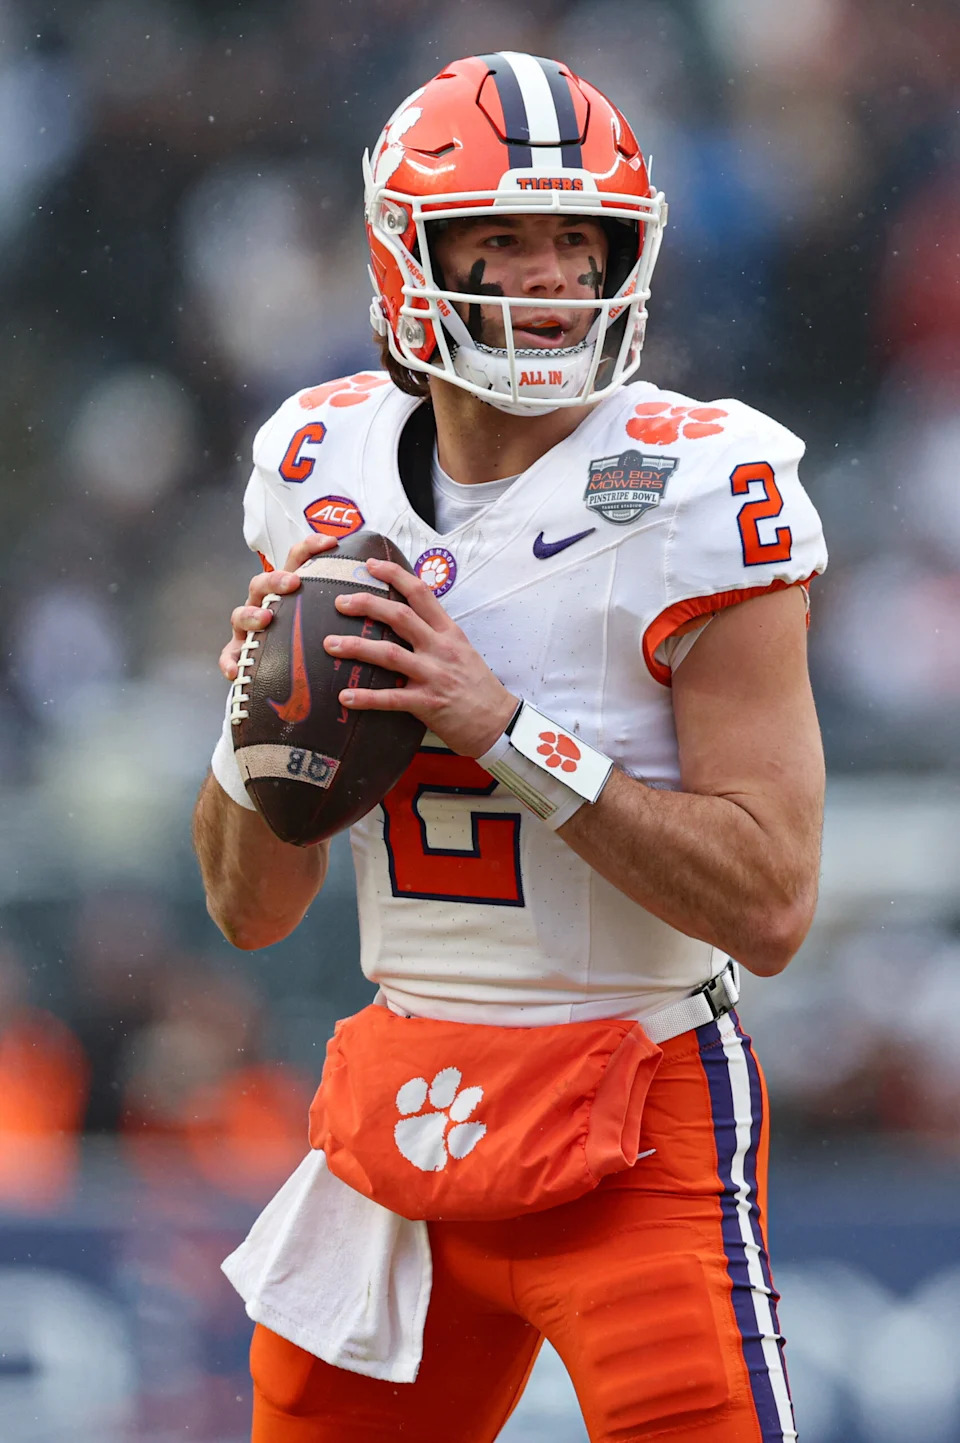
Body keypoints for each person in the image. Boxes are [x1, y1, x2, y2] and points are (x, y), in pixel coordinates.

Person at [193, 51, 825, 1443]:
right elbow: (249, 910)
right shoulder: (319, 465)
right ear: (409, 256)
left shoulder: (705, 484)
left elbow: (772, 906)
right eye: (503, 239)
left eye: (578, 241)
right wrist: (259, 717)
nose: (548, 277)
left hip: (636, 1106)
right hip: (404, 1107)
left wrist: (503, 733)